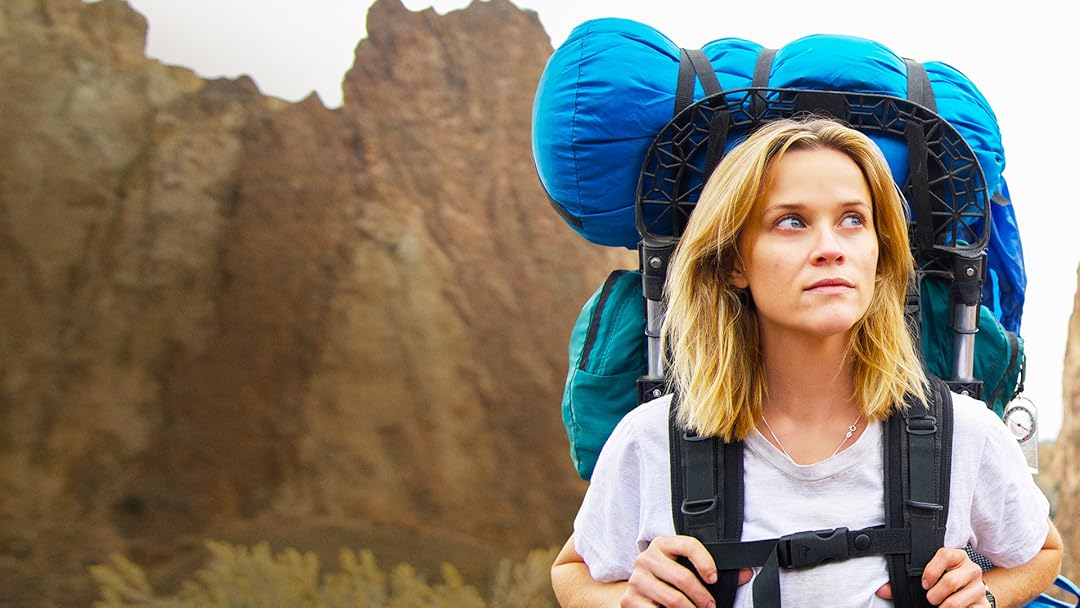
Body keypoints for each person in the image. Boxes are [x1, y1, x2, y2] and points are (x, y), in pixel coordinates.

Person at [550, 117, 1062, 607]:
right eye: (791, 222)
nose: (830, 248)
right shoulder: (652, 440)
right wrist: (624, 600)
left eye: (853, 220)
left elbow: (1043, 553)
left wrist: (988, 596)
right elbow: (571, 572)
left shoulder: (964, 434)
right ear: (734, 262)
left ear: (879, 254)